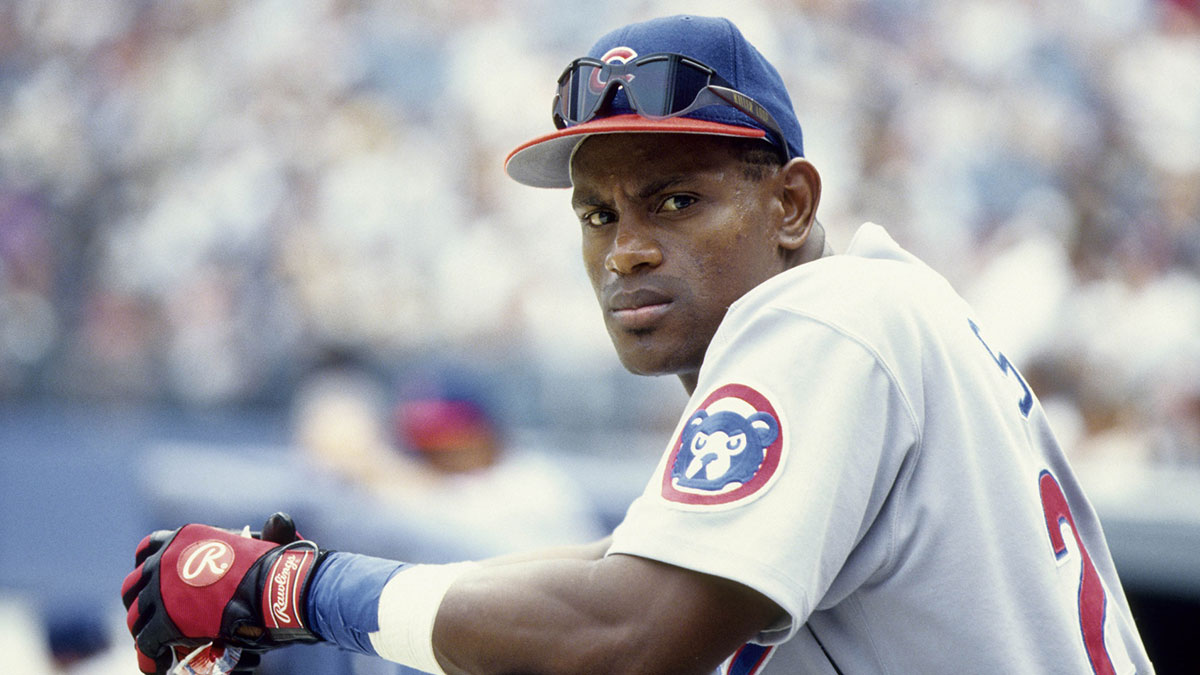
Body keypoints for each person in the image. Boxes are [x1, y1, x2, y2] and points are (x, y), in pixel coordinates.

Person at [121, 14, 1155, 675]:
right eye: (599, 215)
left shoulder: (825, 318)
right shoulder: (893, 314)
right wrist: (301, 601)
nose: (627, 252)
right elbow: (613, 582)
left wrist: (298, 590)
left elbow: (624, 636)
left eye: (676, 200)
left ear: (791, 204)